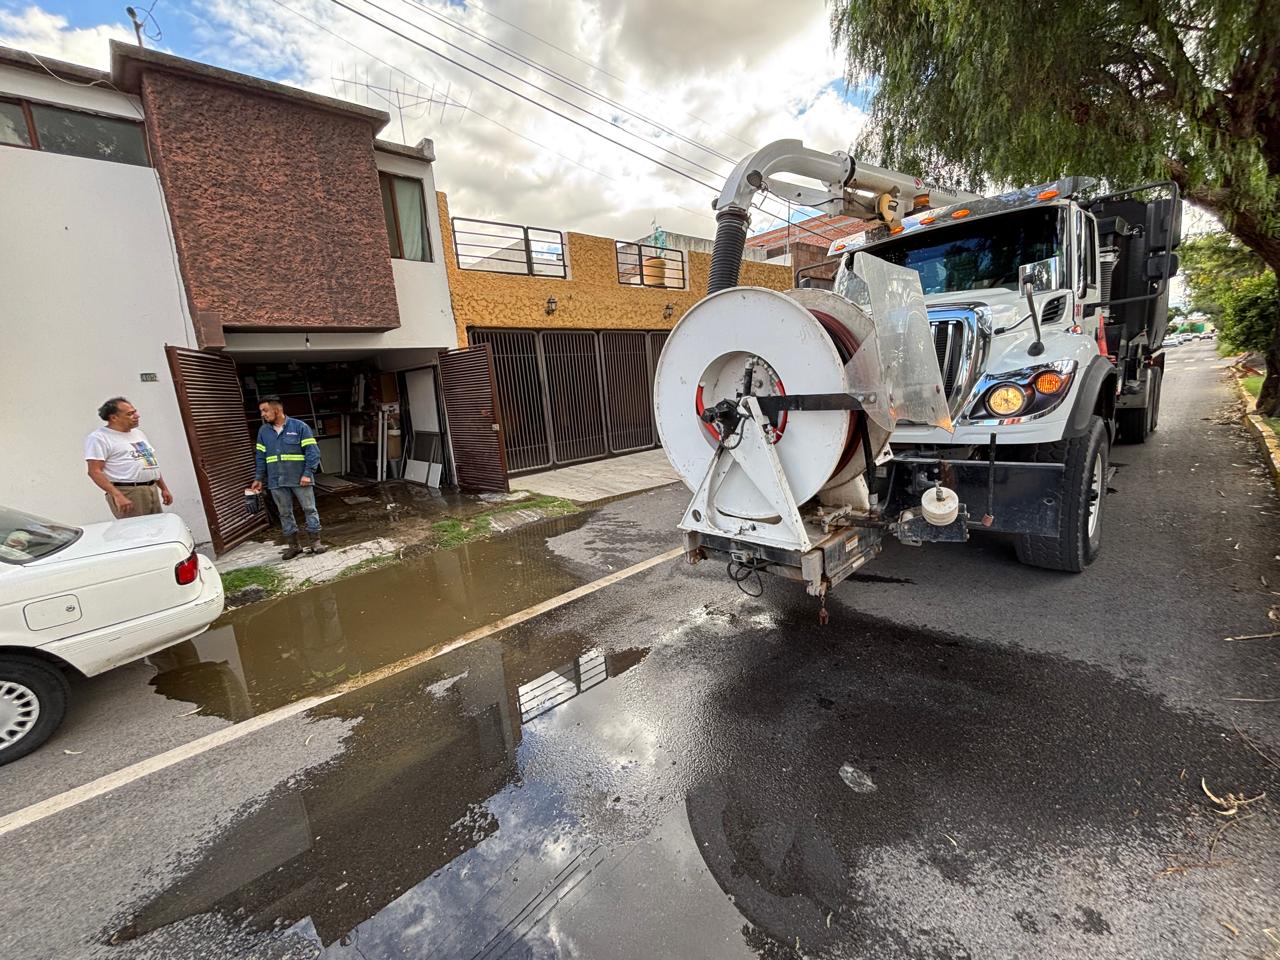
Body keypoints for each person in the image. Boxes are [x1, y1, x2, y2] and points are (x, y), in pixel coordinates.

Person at [250, 396, 325, 559]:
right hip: (276, 480)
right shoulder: (264, 432)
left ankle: (315, 542)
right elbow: (261, 457)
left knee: (309, 509)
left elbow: (313, 452)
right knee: (284, 513)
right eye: (261, 411)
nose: (263, 414)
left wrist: (307, 473)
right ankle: (294, 546)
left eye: (265, 410)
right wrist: (258, 478)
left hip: (300, 478)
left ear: (277, 410)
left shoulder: (300, 427)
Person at [85, 397, 174, 519]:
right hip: (128, 492)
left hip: (151, 489)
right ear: (114, 418)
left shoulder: (138, 434)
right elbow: (94, 471)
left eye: (135, 411)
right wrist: (117, 495)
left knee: (156, 531)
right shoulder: (99, 438)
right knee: (136, 532)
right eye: (130, 414)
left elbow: (149, 462)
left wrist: (163, 488)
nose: (137, 416)